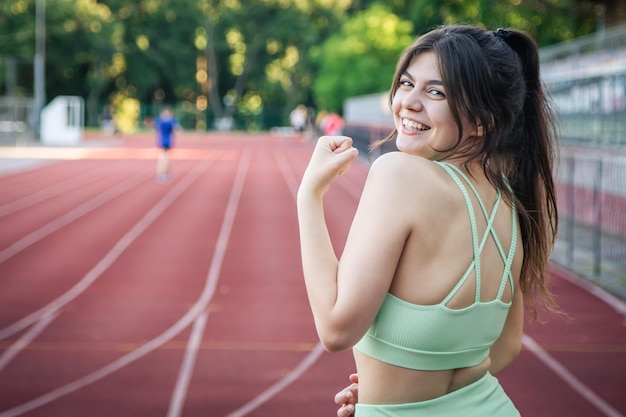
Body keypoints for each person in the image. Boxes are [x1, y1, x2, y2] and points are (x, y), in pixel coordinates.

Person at [297, 24, 559, 417]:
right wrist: (389, 387)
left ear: (483, 120)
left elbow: (336, 330)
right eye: (406, 83)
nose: (408, 103)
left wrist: (308, 195)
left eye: (436, 92)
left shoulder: (399, 174)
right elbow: (504, 349)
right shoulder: (507, 200)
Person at [154, 107, 179, 182]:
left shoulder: (159, 120)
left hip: (162, 140)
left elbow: (156, 129)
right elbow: (176, 129)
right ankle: (162, 173)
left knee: (164, 157)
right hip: (166, 140)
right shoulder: (171, 120)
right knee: (165, 158)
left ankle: (164, 173)